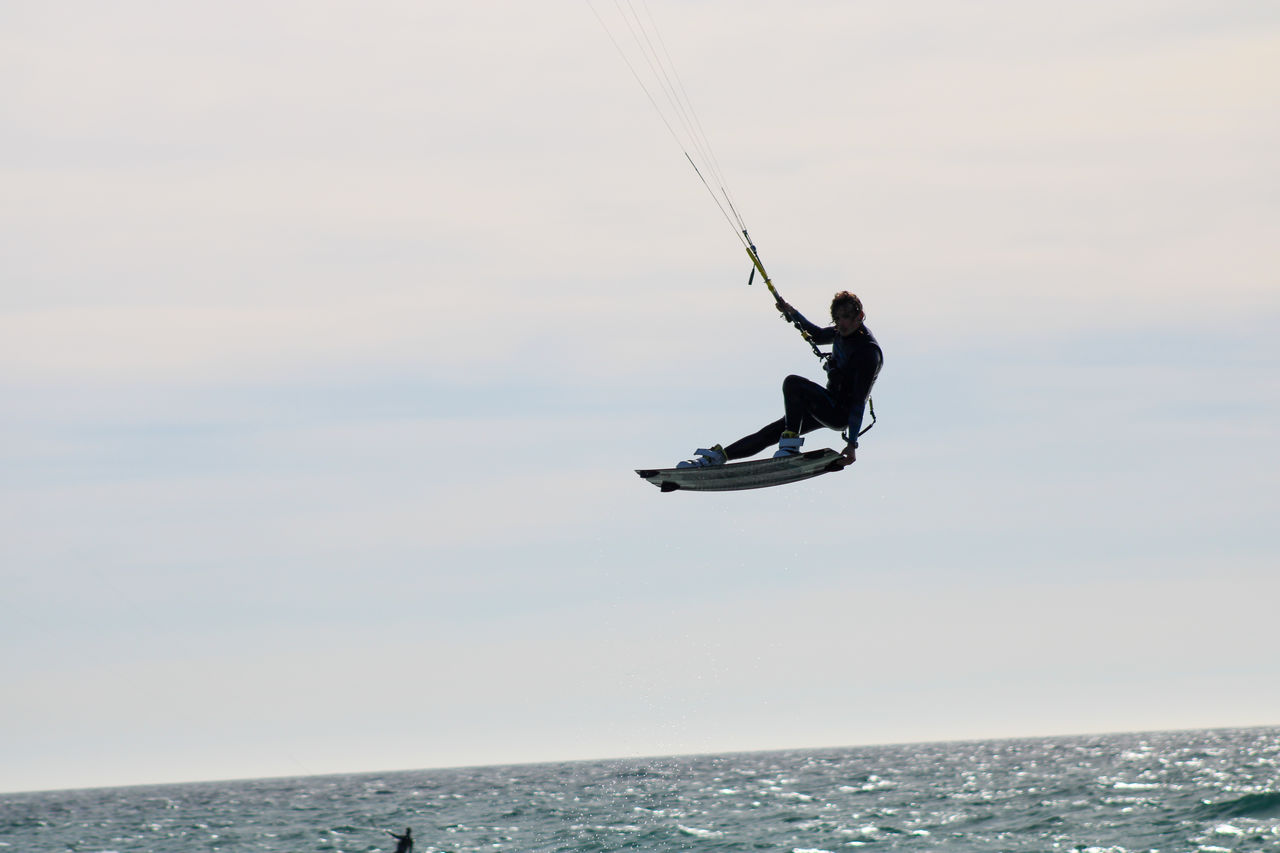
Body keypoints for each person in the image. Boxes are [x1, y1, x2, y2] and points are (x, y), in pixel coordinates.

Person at [677, 290, 882, 468]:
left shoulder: (868, 353)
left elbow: (858, 403)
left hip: (841, 413)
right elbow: (818, 335)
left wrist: (852, 444)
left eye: (845, 317)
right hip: (827, 403)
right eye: (836, 319)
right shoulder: (840, 333)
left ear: (860, 316)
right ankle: (719, 457)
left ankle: (790, 447)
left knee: (793, 384)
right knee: (773, 432)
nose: (841, 324)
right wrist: (791, 313)